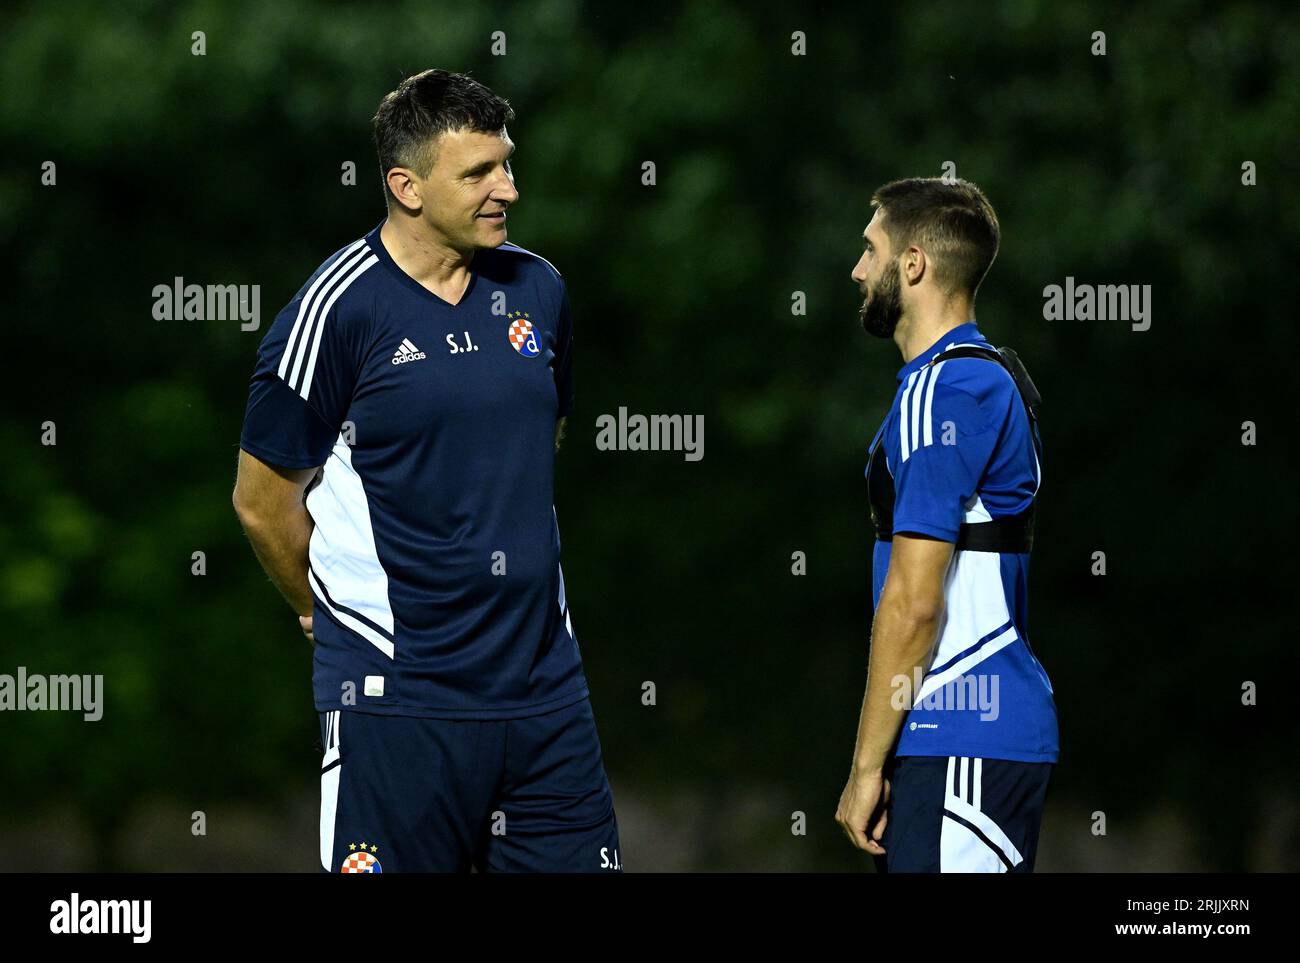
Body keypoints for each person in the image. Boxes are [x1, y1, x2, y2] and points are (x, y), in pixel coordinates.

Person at [232, 69, 621, 873]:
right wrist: (325, 608)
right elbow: (263, 502)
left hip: (545, 696)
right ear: (407, 186)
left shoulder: (539, 287)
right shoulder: (334, 310)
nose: (506, 188)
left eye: (507, 164)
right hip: (397, 701)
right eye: (478, 172)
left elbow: (537, 441)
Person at [835, 177, 1058, 872]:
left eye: (870, 249)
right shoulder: (979, 377)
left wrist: (865, 766)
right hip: (961, 738)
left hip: (958, 732)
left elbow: (915, 597)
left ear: (913, 264)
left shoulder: (948, 387)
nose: (857, 269)